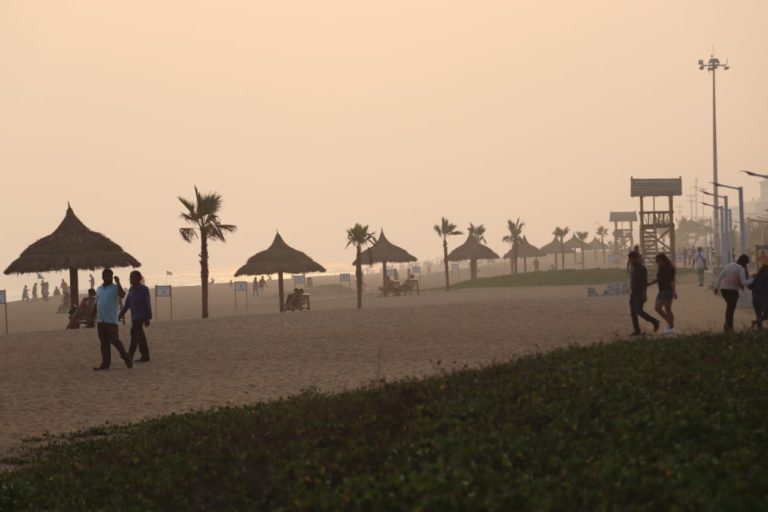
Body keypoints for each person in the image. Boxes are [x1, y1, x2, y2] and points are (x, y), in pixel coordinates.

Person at [92, 268, 132, 370]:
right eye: (107, 276)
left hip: (111, 320)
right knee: (104, 343)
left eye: (111, 275)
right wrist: (92, 316)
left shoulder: (115, 288)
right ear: (103, 277)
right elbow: (96, 303)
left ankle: (126, 357)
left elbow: (122, 295)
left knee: (114, 340)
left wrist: (118, 283)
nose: (109, 277)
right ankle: (105, 364)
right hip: (101, 320)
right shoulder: (99, 289)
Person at [119, 270, 152, 363]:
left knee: (134, 334)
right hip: (134, 317)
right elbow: (127, 304)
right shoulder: (131, 290)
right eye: (130, 277)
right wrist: (121, 313)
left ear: (138, 278)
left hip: (141, 316)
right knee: (140, 336)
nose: (130, 279)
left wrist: (148, 318)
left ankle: (130, 355)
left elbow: (147, 303)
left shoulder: (144, 289)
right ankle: (145, 355)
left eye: (132, 277)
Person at [714, 254, 752, 333]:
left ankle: (728, 324)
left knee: (729, 307)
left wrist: (716, 287)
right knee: (731, 308)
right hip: (732, 291)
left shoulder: (729, 265)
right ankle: (729, 326)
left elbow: (720, 277)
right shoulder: (741, 269)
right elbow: (744, 282)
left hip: (723, 289)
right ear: (745, 263)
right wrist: (754, 280)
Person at [627, 250, 660, 336]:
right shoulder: (632, 268)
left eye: (632, 259)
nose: (630, 261)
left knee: (639, 311)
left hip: (639, 293)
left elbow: (644, 283)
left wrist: (644, 294)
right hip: (633, 294)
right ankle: (637, 330)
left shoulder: (642, 269)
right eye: (630, 259)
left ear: (636, 258)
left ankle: (655, 321)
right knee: (633, 313)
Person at [648, 253, 677, 334]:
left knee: (668, 309)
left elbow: (672, 281)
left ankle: (670, 325)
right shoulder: (660, 268)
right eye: (656, 261)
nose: (657, 263)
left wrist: (674, 292)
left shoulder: (670, 268)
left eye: (658, 261)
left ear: (663, 260)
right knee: (657, 308)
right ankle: (670, 322)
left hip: (668, 291)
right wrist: (649, 284)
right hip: (661, 291)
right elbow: (658, 279)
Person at [749, 263, 768, 330]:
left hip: (755, 298)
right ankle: (756, 322)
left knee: (758, 314)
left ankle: (759, 329)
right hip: (763, 297)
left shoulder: (755, 276)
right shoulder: (766, 277)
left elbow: (750, 286)